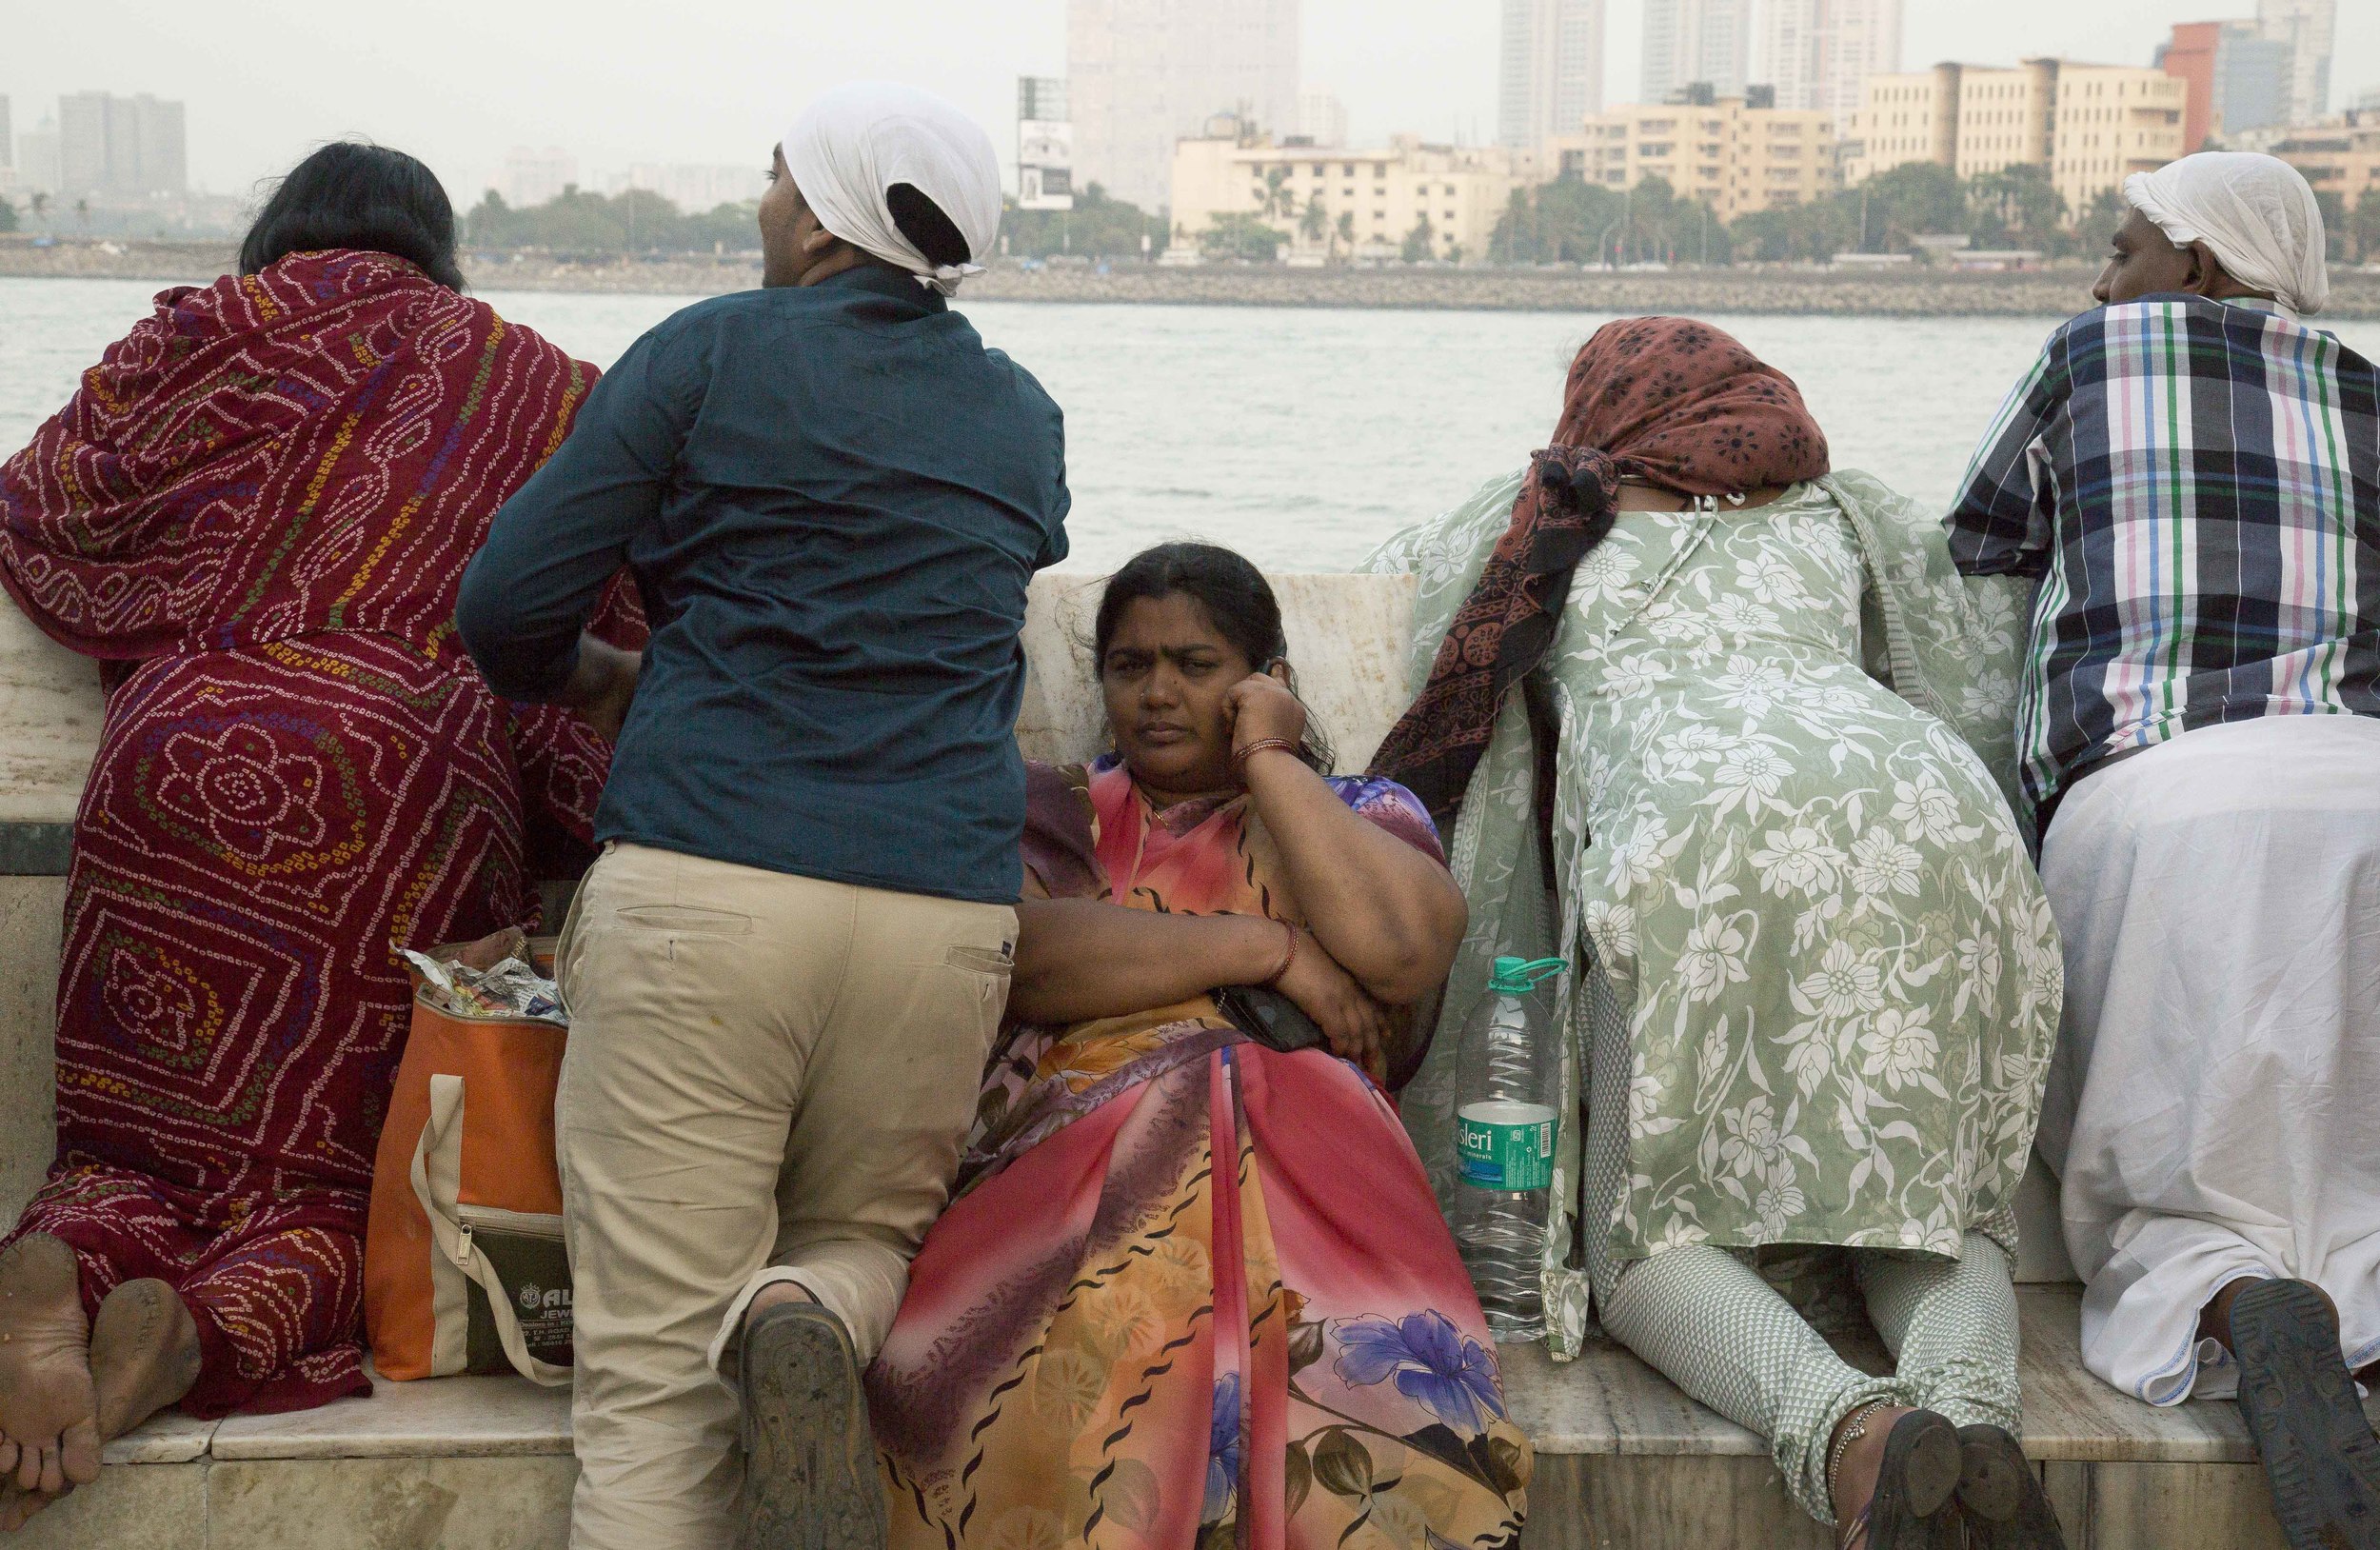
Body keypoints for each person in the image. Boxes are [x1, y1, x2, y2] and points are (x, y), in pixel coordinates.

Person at [454, 83, 1069, 1550]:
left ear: (822, 216)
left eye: (778, 184)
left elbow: (504, 610)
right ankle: (802, 1313)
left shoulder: (707, 350)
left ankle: (762, 1329)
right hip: (940, 913)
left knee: (656, 1390)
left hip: (708, 890)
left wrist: (608, 678)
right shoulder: (1020, 410)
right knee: (864, 1245)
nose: (761, 205)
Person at [0, 143, 639, 1529]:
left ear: (275, 231)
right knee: (340, 1178)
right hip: (402, 774)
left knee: (133, 1143)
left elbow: (48, 507)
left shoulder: (196, 330)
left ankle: (67, 1255)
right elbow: (608, 607)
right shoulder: (535, 378)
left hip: (179, 744)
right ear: (441, 245)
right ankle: (202, 1332)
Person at [1366, 317, 2068, 1549]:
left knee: (1640, 1242)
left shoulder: (1546, 513)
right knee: (1925, 1210)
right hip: (1927, 815)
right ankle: (1975, 1430)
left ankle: (1845, 1435)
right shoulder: (1840, 514)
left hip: (1697, 844)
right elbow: (1974, 631)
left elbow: (1425, 615)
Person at [866, 542, 1530, 1547]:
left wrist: (1270, 759)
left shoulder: (1355, 816)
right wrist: (1267, 949)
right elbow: (1023, 958)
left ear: (1266, 677)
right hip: (1067, 1187)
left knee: (1249, 1088)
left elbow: (1402, 951)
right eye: (1131, 666)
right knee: (1200, 1090)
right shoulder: (1060, 811)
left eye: (1197, 663)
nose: (1159, 693)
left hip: (1318, 1187)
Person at [1949, 151, 2380, 1548]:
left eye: (2124, 247)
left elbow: (1981, 540)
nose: (2101, 276)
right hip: (2363, 789)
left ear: (2192, 267)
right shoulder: (2372, 392)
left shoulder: (2094, 352)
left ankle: (2223, 1293)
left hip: (2168, 799)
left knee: (2160, 1152)